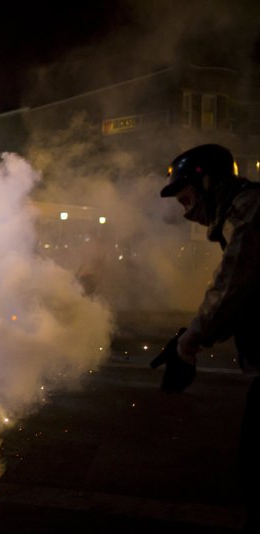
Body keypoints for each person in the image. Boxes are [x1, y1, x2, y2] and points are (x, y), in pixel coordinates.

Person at [158, 143, 260, 530]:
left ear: (208, 182)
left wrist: (192, 340)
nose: (187, 212)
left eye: (187, 199)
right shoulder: (241, 212)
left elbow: (235, 283)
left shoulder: (250, 211)